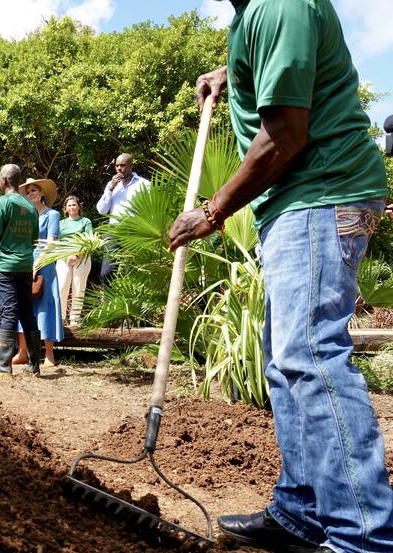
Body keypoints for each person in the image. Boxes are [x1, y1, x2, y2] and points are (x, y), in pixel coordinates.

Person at [168, 2, 393, 552]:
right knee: (285, 361)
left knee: (311, 356)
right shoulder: (255, 15)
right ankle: (302, 511)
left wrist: (214, 210)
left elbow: (285, 134)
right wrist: (233, 73)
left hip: (319, 193)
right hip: (298, 202)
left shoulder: (279, 3)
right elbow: (287, 71)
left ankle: (362, 535)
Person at [0, 164, 40, 375]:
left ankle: (3, 364)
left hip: (5, 264)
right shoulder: (30, 206)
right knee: (27, 311)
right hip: (25, 264)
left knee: (8, 310)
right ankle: (35, 365)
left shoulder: (1, 203)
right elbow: (34, 239)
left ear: (4, 180)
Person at [10, 178, 64, 367]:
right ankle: (22, 352)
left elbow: (51, 243)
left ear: (42, 193)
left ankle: (49, 355)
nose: (30, 193)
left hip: (46, 264)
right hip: (25, 262)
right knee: (24, 306)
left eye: (34, 190)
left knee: (46, 306)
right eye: (28, 191)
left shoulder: (52, 215)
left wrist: (37, 264)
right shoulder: (24, 214)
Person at [95, 153, 149, 279]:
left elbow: (151, 210)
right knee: (106, 272)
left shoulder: (144, 185)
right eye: (117, 166)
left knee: (130, 271)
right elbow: (102, 210)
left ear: (131, 166)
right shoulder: (112, 185)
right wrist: (110, 188)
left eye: (123, 165)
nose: (119, 168)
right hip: (114, 231)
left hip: (134, 230)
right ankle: (107, 298)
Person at [56, 195, 93, 327]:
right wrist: (67, 256)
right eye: (69, 205)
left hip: (82, 257)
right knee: (62, 286)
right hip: (63, 257)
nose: (72, 207)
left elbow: (90, 241)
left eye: (74, 204)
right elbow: (57, 242)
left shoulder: (86, 222)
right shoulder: (61, 223)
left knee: (79, 287)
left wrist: (77, 255)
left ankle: (74, 321)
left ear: (78, 207)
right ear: (65, 209)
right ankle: (60, 319)